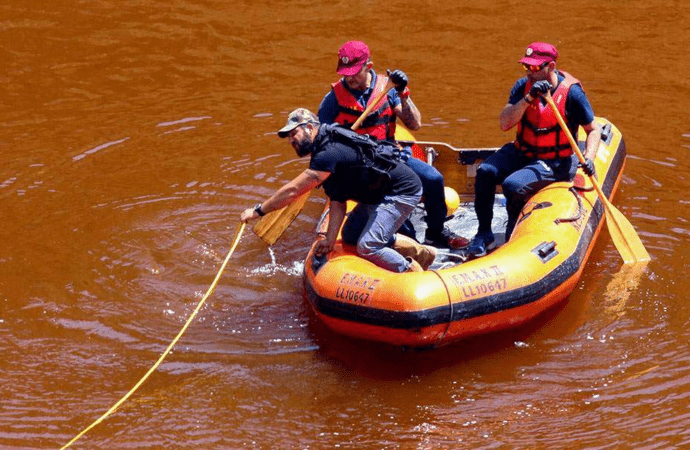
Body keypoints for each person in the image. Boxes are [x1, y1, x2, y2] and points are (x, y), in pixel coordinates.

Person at [240, 108, 437, 273]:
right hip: (376, 193)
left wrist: (258, 211)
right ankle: (423, 253)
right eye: (288, 137)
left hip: (399, 191)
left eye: (294, 134)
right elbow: (337, 200)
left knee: (368, 246)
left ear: (310, 128)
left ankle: (412, 273)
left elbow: (293, 190)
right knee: (351, 236)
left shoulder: (328, 153)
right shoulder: (323, 151)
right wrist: (330, 239)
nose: (291, 140)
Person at [318, 40, 469, 250]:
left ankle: (436, 232)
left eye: (353, 71)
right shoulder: (332, 99)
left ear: (367, 66)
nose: (349, 77)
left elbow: (414, 124)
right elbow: (321, 141)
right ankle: (409, 242)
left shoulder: (386, 89)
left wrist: (403, 94)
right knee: (390, 216)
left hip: (390, 156)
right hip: (360, 166)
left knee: (434, 179)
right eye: (345, 72)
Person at [466, 42, 601, 257]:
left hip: (556, 162)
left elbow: (593, 129)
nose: (530, 71)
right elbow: (504, 124)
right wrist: (528, 99)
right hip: (523, 151)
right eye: (526, 66)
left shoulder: (572, 94)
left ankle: (513, 234)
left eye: (536, 68)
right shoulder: (522, 87)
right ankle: (484, 233)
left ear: (551, 66)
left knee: (513, 185)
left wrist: (589, 157)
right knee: (485, 172)